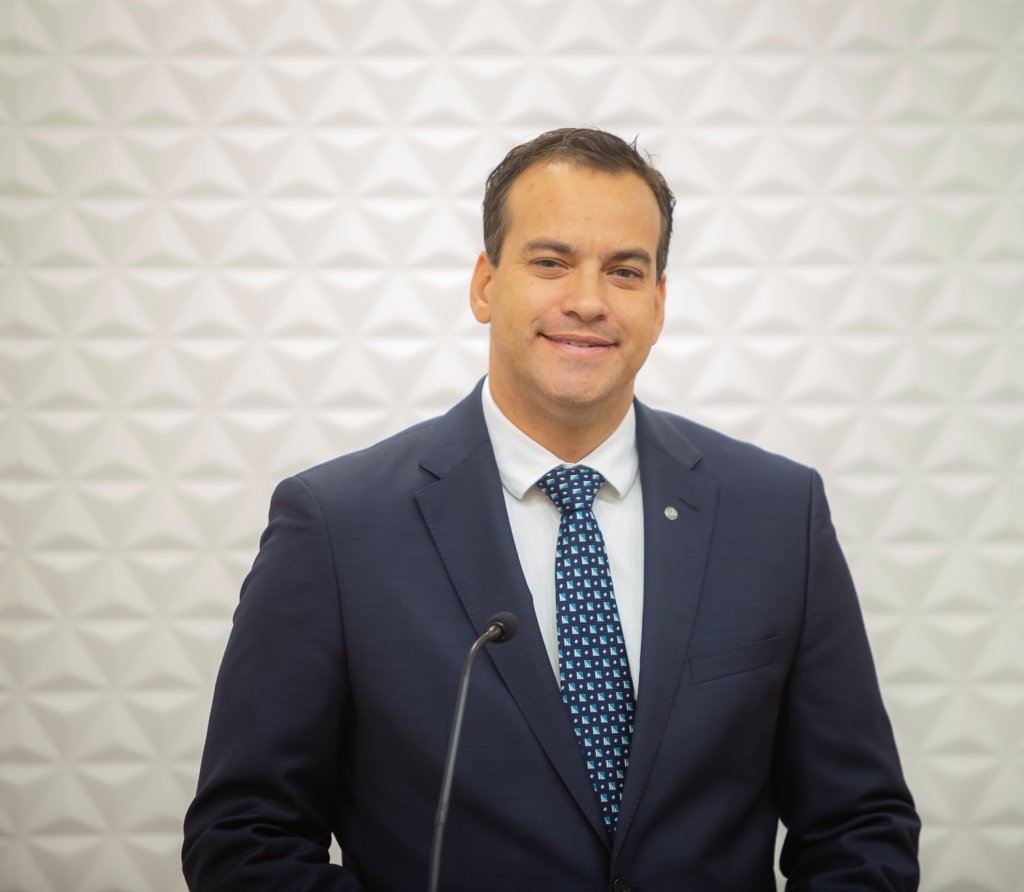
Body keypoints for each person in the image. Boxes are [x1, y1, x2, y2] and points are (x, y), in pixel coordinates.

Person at [182, 127, 920, 891]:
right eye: (550, 262)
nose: (588, 302)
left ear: (659, 303)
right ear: (484, 285)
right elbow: (247, 839)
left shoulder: (777, 514)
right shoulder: (336, 526)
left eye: (625, 271)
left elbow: (860, 827)